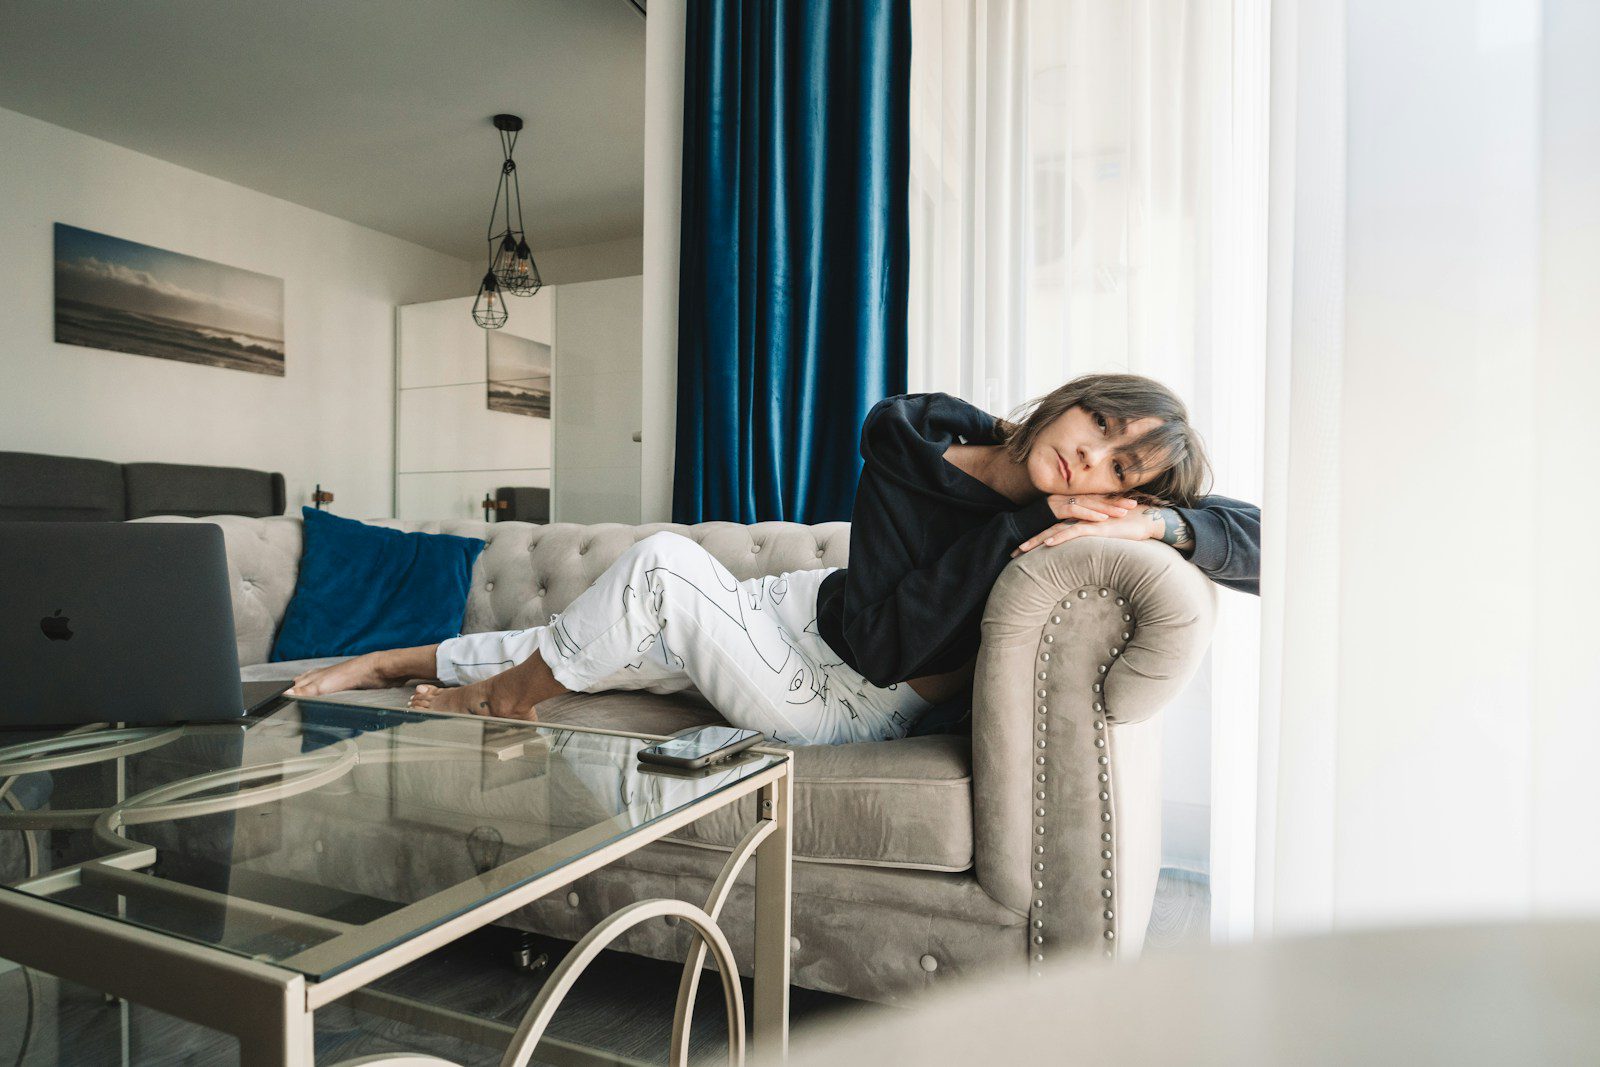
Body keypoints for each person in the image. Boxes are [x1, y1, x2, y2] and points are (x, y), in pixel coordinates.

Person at [287, 373, 1261, 746]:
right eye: (1097, 425)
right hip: (798, 615)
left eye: (1118, 467)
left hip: (844, 694)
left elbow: (1265, 539)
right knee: (595, 635)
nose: (1089, 457)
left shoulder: (1057, 529)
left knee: (659, 570)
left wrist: (1160, 528)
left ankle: (490, 700)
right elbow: (870, 596)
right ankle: (390, 661)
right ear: (1071, 398)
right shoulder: (912, 437)